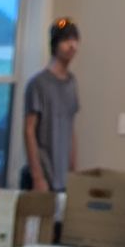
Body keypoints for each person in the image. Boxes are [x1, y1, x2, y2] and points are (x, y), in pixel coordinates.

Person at [22, 16, 81, 194]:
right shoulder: (38, 84)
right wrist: (37, 177)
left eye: (74, 40)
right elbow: (29, 130)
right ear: (55, 45)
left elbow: (70, 127)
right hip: (44, 176)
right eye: (66, 40)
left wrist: (72, 170)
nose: (72, 46)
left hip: (64, 178)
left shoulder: (72, 83)